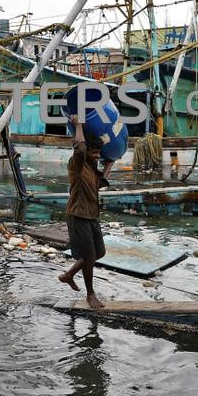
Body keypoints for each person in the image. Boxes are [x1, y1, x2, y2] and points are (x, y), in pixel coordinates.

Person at [58, 114, 113, 309]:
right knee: (89, 257)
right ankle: (90, 294)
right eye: (94, 152)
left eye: (99, 152)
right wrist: (79, 124)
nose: (97, 156)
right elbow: (80, 148)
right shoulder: (77, 165)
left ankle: (69, 274)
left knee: (99, 252)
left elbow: (98, 185)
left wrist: (108, 164)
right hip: (78, 214)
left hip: (91, 215)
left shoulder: (91, 167)